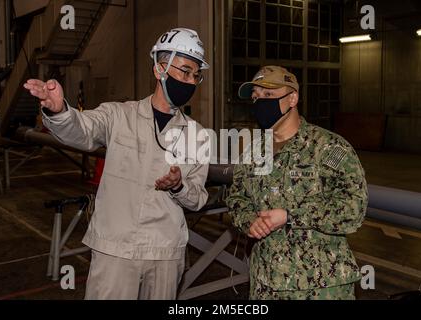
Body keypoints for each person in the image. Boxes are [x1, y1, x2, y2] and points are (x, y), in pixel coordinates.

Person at [24, 28, 210, 300]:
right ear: (160, 70)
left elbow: (198, 199)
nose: (191, 81)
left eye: (196, 75)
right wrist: (60, 111)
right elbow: (82, 130)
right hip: (115, 251)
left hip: (165, 255)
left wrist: (179, 186)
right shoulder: (118, 115)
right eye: (184, 71)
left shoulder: (197, 135)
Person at [226, 66, 368, 300]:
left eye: (269, 95)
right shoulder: (253, 152)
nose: (260, 102)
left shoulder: (329, 147)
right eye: (256, 97)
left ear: (292, 98)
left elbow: (353, 209)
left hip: (320, 287)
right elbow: (237, 197)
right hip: (265, 284)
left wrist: (291, 216)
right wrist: (249, 221)